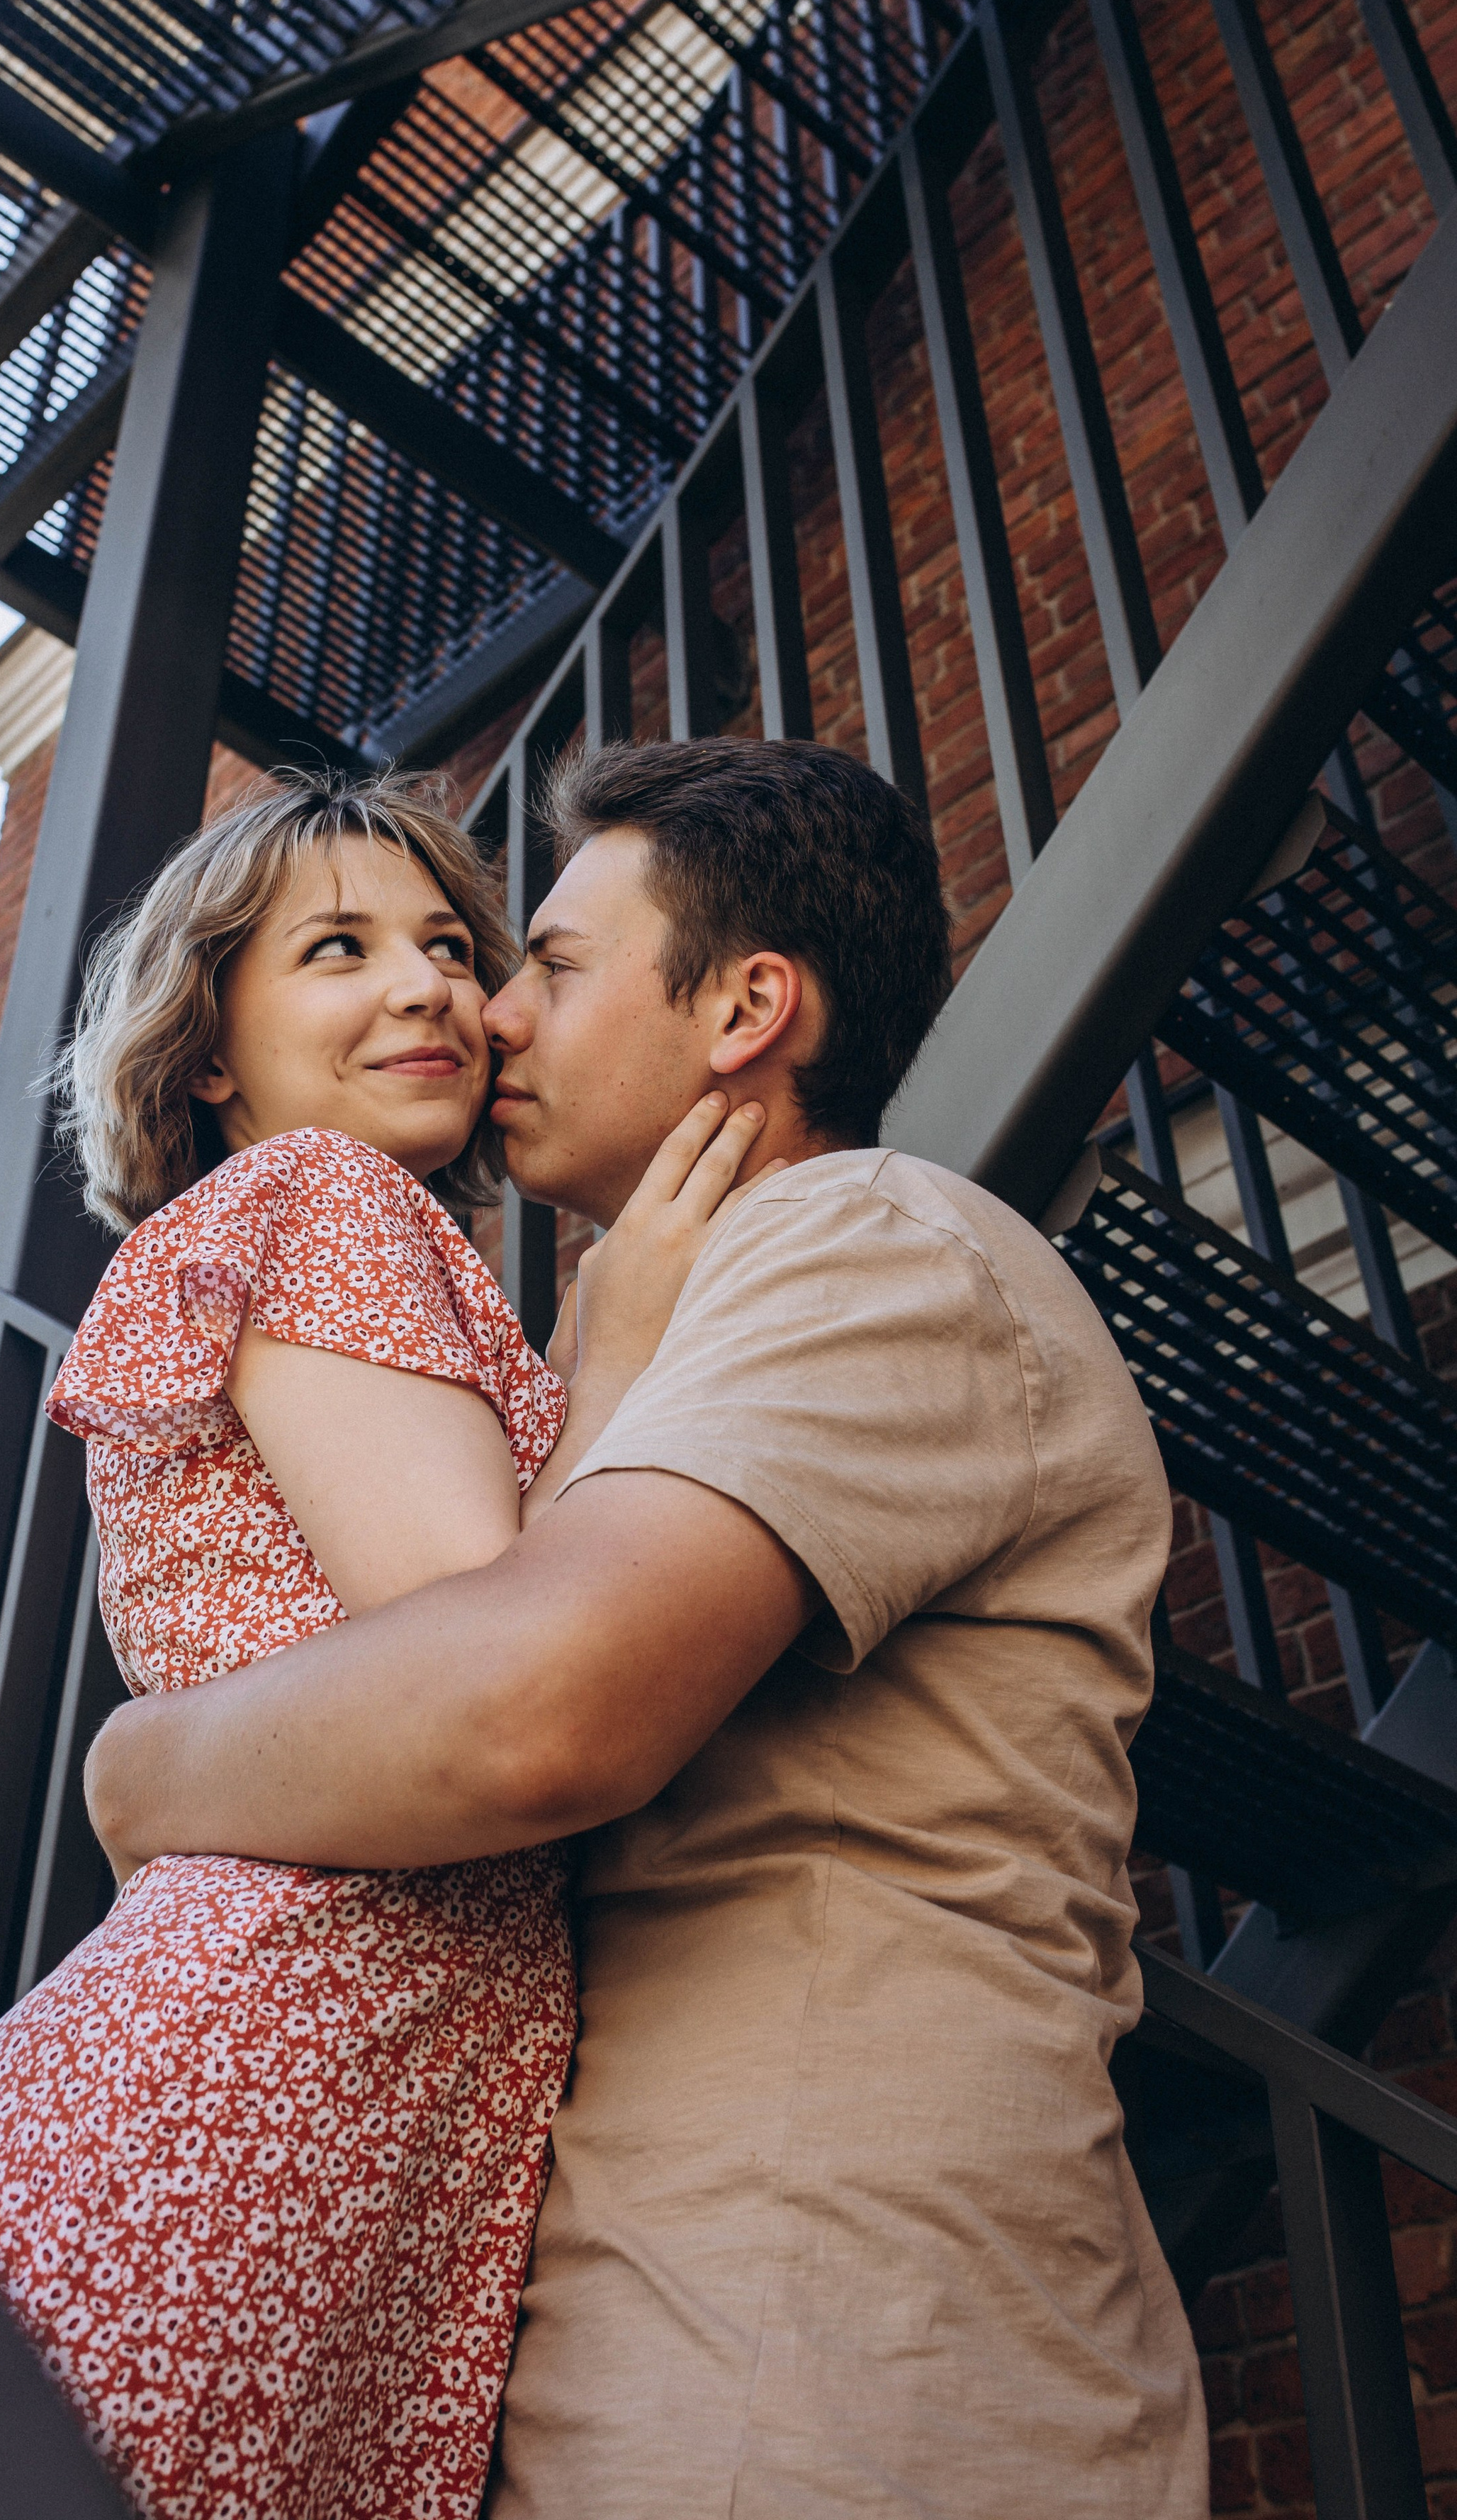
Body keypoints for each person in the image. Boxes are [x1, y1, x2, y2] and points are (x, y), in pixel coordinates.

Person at [86, 737, 1211, 2519]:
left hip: (803, 2328)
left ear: (746, 1008)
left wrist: (140, 1770)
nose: (486, 1010)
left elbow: (523, 1709)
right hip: (676, 2318)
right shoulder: (643, 1325)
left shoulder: (859, 1237)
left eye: (540, 959)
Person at [0, 768, 765, 2520]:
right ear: (210, 1053)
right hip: (260, 2076)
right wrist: (616, 1348)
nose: (426, 986)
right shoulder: (321, 1198)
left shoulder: (344, 1244)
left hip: (323, 2073)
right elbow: (480, 1623)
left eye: (449, 944)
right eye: (336, 951)